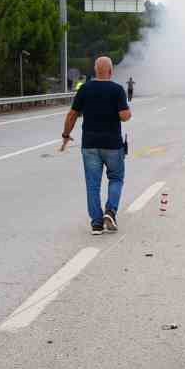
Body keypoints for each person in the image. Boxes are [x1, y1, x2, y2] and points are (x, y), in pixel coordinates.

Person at [59, 56, 131, 235]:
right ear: (111, 71)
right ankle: (110, 212)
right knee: (116, 179)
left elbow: (72, 115)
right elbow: (124, 116)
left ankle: (97, 224)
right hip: (113, 145)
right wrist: (125, 111)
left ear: (95, 70)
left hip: (90, 145)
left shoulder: (85, 89)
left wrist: (66, 135)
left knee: (93, 185)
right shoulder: (117, 90)